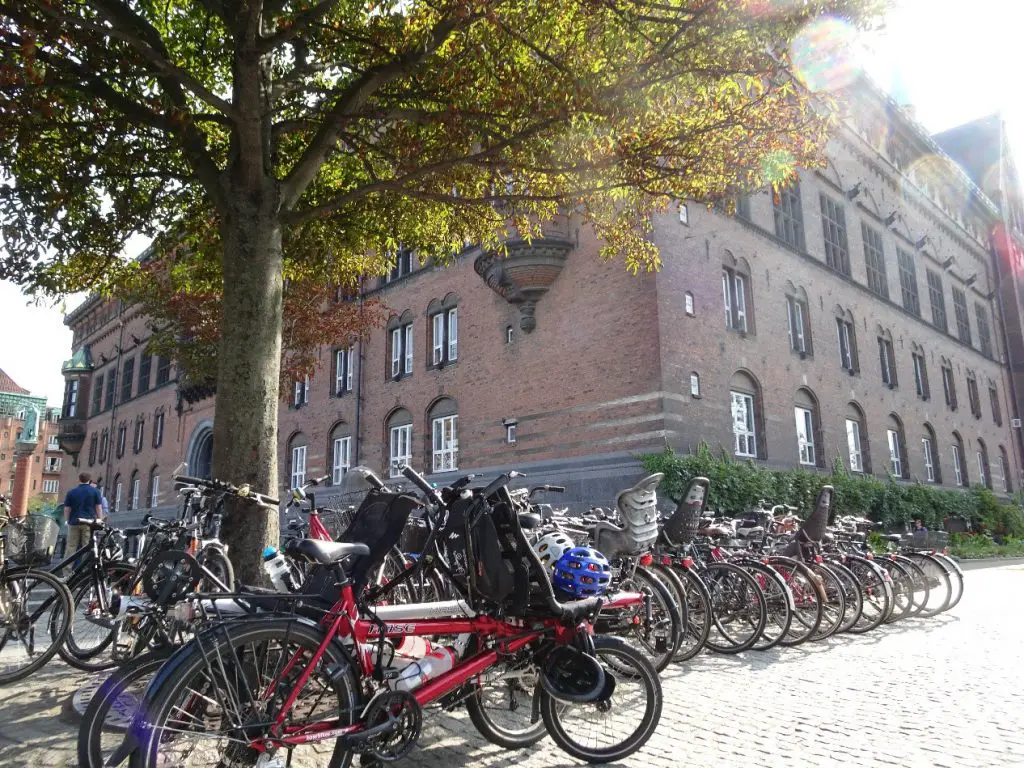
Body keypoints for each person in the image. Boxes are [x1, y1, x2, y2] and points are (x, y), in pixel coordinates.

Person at [63, 471, 104, 557]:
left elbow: (67, 508)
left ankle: (67, 569)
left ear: (79, 480)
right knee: (86, 547)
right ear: (89, 480)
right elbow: (98, 507)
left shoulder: (71, 492)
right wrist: (100, 519)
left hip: (74, 521)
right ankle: (85, 569)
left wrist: (66, 520)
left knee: (71, 547)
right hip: (88, 522)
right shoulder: (95, 491)